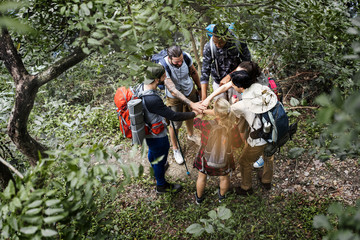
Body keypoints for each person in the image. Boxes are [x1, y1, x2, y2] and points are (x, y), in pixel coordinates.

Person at [139, 65, 200, 194]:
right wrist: (194, 114)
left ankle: (154, 167)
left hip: (147, 130)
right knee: (160, 157)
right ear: (156, 79)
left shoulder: (141, 87)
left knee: (153, 152)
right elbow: (173, 115)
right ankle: (161, 185)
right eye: (163, 76)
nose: (165, 77)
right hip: (157, 135)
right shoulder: (152, 99)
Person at [229, 70, 278, 195]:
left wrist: (232, 104)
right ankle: (266, 181)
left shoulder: (241, 105)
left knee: (244, 162)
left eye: (233, 85)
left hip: (259, 138)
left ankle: (246, 188)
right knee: (269, 157)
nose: (232, 86)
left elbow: (227, 114)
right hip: (274, 132)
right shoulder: (263, 89)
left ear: (240, 88)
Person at [193, 99, 242, 204]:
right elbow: (238, 144)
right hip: (225, 157)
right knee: (224, 178)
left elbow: (195, 123)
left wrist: (200, 115)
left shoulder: (207, 124)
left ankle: (199, 199)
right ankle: (221, 198)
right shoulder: (232, 127)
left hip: (205, 157)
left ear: (215, 113)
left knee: (202, 176)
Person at [162, 45, 203, 165]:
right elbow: (173, 89)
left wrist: (199, 88)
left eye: (181, 61)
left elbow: (193, 72)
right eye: (176, 62)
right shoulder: (163, 66)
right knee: (175, 123)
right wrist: (192, 103)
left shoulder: (186, 57)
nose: (180, 63)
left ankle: (191, 135)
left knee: (190, 115)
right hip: (174, 97)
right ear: (169, 58)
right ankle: (175, 148)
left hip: (189, 90)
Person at [200, 24, 251, 101]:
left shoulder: (238, 42)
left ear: (227, 37)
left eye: (220, 42)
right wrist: (204, 98)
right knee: (221, 109)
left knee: (237, 108)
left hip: (236, 82)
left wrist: (230, 75)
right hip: (218, 83)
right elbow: (205, 71)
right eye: (215, 42)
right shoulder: (209, 46)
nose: (217, 45)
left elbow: (247, 63)